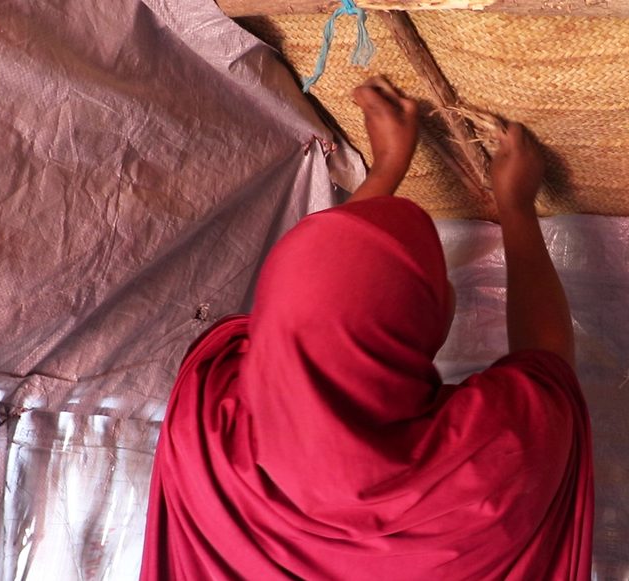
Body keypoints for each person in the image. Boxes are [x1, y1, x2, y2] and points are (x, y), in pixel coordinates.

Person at [140, 77, 593, 580]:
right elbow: (547, 366)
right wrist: (516, 207)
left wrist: (386, 169)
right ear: (431, 323)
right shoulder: (489, 467)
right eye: (434, 278)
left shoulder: (203, 425)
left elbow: (314, 299)